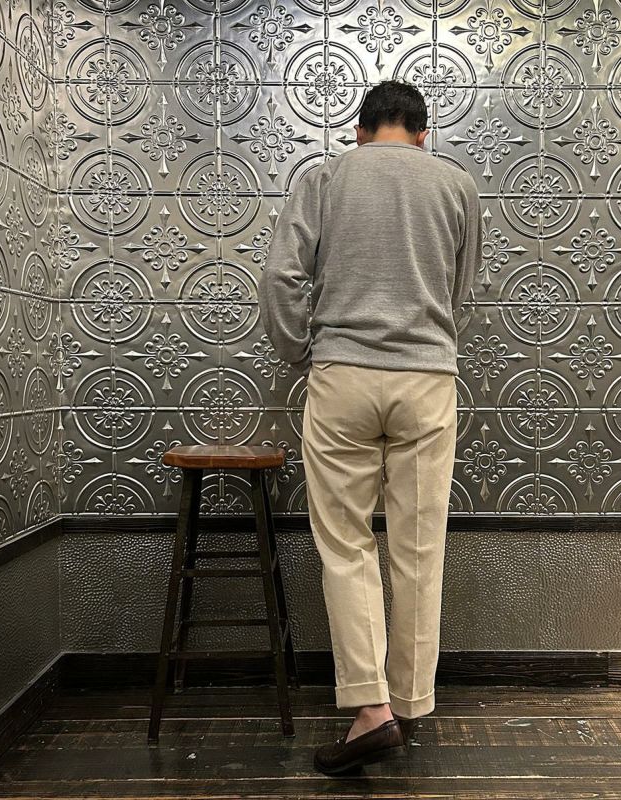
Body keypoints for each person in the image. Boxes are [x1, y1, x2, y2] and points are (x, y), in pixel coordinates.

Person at [260, 79, 482, 775]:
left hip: (343, 376)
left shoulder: (325, 176)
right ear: (422, 132)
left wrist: (303, 351)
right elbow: (460, 288)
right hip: (427, 380)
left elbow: (281, 278)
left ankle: (369, 707)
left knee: (346, 543)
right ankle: (410, 703)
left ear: (359, 130)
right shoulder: (456, 185)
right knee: (419, 545)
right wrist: (430, 340)